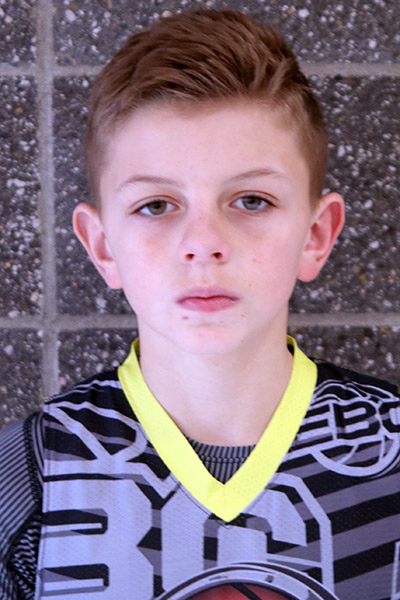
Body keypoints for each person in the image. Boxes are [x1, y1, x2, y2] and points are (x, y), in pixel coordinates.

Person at [0, 9, 399, 600]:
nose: (204, 243)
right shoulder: (29, 477)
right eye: (156, 205)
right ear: (103, 247)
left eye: (252, 200)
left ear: (315, 236)